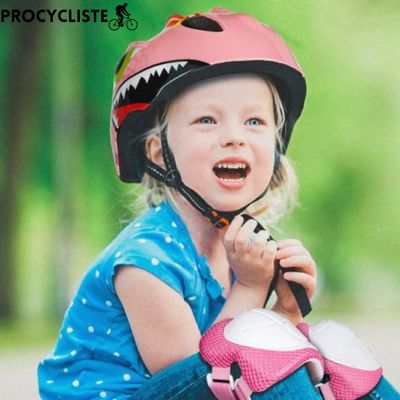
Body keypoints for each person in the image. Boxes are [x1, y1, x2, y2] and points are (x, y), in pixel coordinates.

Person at [38, 7, 399, 400]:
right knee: (256, 348)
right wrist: (252, 287)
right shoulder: (144, 263)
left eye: (254, 122)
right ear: (158, 152)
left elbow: (250, 372)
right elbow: (203, 380)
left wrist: (286, 310)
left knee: (336, 352)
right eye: (207, 120)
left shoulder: (235, 252)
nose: (234, 137)